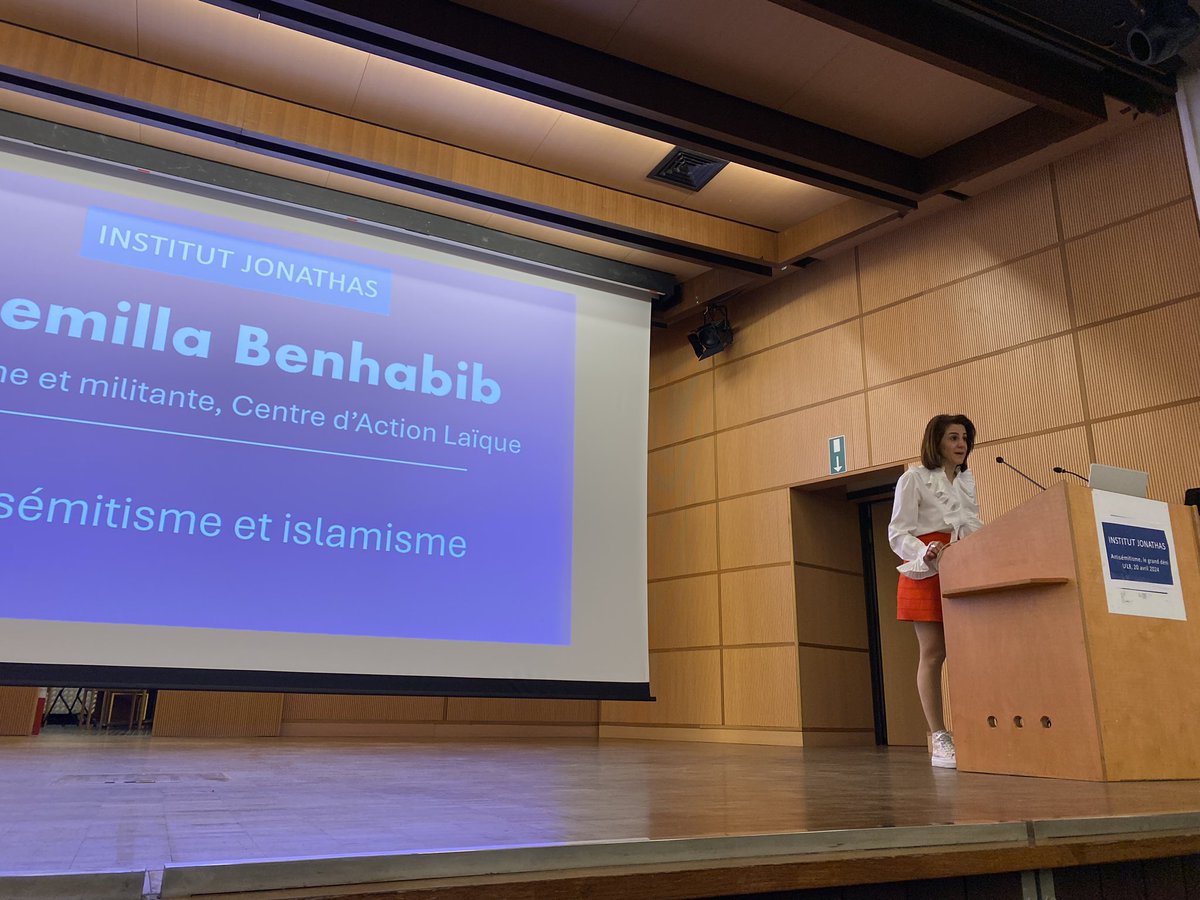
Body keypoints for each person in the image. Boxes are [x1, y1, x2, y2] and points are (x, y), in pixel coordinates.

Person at [887, 414, 983, 769]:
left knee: (968, 649)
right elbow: (897, 532)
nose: (961, 444)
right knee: (933, 653)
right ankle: (940, 738)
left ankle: (975, 729)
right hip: (926, 567)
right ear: (937, 443)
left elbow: (971, 525)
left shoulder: (966, 479)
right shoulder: (913, 478)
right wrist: (923, 553)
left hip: (962, 563)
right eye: (953, 438)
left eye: (964, 438)